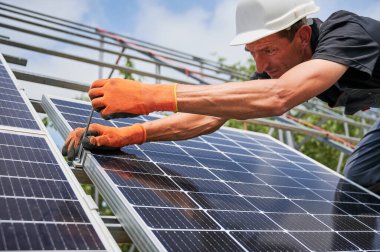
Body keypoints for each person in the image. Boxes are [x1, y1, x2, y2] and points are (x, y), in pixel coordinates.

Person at [63, 0, 380, 189]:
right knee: (360, 179)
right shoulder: (278, 69)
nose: (260, 64)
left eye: (268, 49)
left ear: (303, 36)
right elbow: (209, 115)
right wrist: (131, 134)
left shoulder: (346, 34)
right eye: (252, 52)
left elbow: (280, 97)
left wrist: (149, 95)